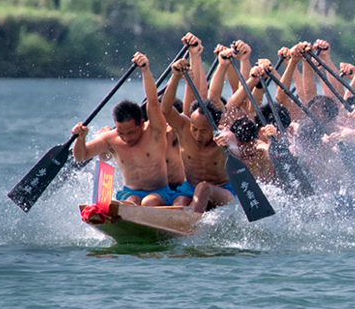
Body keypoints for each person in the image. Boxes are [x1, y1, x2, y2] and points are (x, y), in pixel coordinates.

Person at [71, 52, 175, 206]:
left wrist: (145, 70)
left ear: (141, 123)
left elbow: (152, 101)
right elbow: (81, 156)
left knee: (148, 202)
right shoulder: (110, 138)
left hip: (159, 193)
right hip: (129, 193)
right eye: (121, 133)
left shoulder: (154, 131)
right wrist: (80, 139)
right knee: (131, 202)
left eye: (131, 132)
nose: (126, 138)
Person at [162, 59, 235, 213]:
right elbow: (166, 110)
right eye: (194, 128)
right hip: (189, 188)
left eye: (203, 131)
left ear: (214, 127)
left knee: (203, 188)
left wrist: (229, 146)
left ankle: (189, 222)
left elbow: (236, 151)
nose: (197, 134)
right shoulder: (183, 127)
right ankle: (182, 219)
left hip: (222, 191)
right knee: (178, 204)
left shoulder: (224, 135)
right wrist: (175, 77)